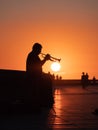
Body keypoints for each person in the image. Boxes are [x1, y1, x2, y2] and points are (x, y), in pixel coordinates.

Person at [26, 43, 54, 108]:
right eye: (40, 49)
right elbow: (38, 65)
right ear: (36, 49)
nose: (40, 51)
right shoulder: (33, 55)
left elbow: (38, 66)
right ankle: (47, 102)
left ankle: (47, 101)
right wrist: (45, 59)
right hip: (33, 77)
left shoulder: (34, 55)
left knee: (48, 79)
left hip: (35, 76)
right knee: (48, 81)